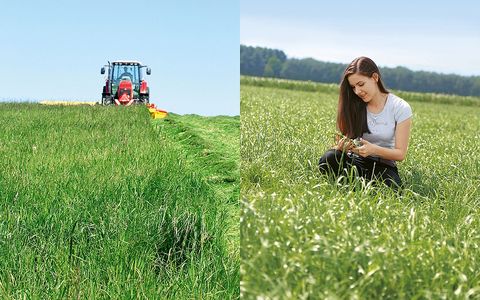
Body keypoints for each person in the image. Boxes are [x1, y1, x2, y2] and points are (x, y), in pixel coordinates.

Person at [318, 56, 412, 189]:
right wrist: (341, 147)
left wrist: (373, 150)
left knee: (391, 187)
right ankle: (357, 185)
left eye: (361, 84)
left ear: (375, 77)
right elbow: (347, 139)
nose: (357, 91)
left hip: (383, 166)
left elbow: (400, 154)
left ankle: (356, 185)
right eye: (353, 87)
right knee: (328, 158)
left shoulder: (400, 107)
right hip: (355, 160)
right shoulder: (354, 104)